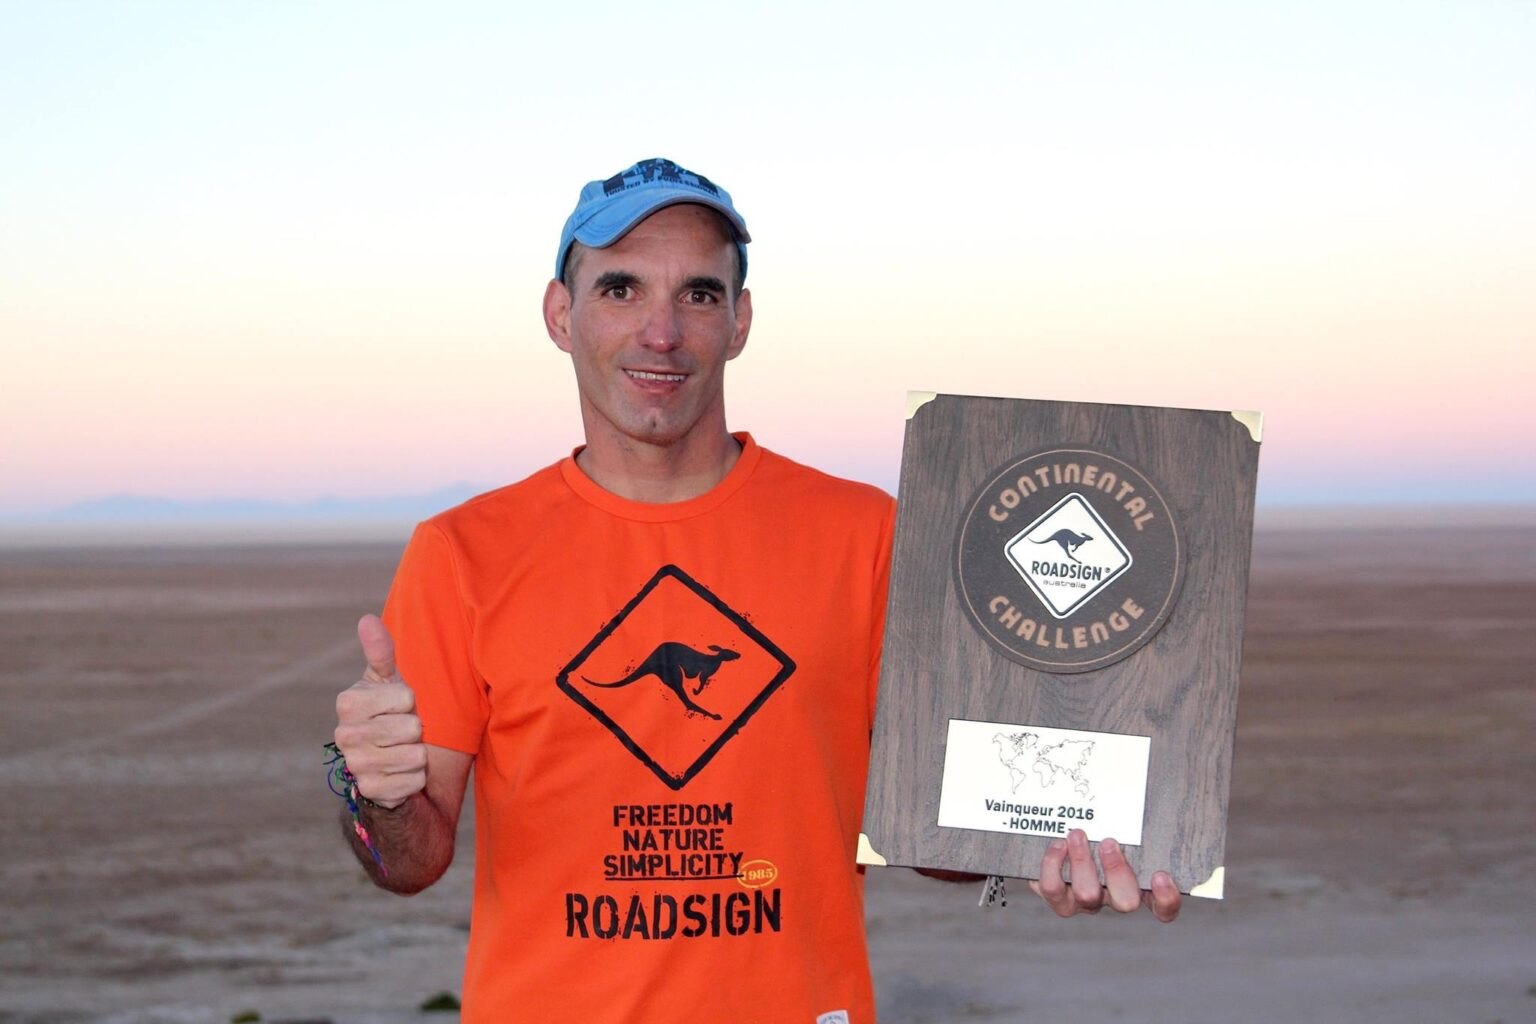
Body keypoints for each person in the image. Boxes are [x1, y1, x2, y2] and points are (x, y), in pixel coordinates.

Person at [331, 157, 1181, 1023]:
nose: (662, 332)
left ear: (738, 321)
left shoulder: (865, 536)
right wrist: (377, 792)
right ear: (560, 314)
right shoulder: (463, 554)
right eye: (621, 289)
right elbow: (409, 864)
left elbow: (938, 838)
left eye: (698, 295)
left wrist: (1057, 835)